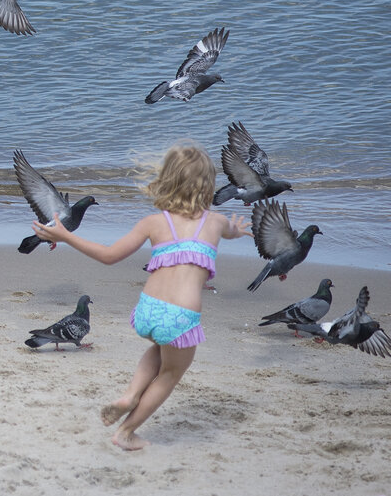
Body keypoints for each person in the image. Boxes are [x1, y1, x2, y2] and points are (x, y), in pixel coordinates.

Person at [31, 143, 253, 451]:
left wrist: (65, 235)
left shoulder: (154, 222)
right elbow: (228, 229)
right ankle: (127, 431)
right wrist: (238, 230)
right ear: (208, 186)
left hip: (148, 309)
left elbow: (109, 256)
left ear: (167, 181)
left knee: (161, 346)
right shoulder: (214, 221)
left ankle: (130, 394)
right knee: (171, 372)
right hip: (180, 316)